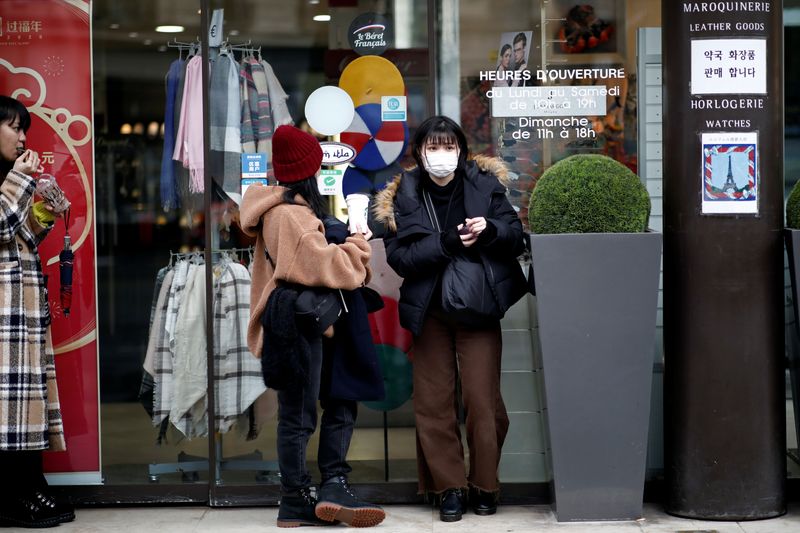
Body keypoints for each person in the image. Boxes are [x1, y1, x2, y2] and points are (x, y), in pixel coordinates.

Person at [374, 115, 527, 522]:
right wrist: (444, 242)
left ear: (461, 151)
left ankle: (484, 484)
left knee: (482, 401)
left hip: (478, 309)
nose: (441, 155)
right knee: (433, 403)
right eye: (433, 147)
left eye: (449, 147)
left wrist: (491, 229)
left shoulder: (484, 184)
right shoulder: (403, 195)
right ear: (419, 153)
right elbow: (401, 258)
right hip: (429, 312)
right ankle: (449, 488)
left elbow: (516, 234)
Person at [240, 124, 386, 528]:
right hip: (299, 321)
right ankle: (297, 498)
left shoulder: (280, 207)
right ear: (308, 169)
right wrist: (358, 244)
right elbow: (330, 266)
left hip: (293, 319)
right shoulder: (293, 216)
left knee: (299, 410)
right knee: (299, 414)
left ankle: (309, 494)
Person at [0, 95, 74, 528]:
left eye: (23, 127)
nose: (23, 136)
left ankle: (29, 488)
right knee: (9, 408)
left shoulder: (10, 178)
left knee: (25, 404)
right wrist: (17, 181)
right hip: (7, 312)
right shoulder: (10, 177)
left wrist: (45, 210)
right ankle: (13, 495)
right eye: (14, 127)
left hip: (21, 309)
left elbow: (19, 236)